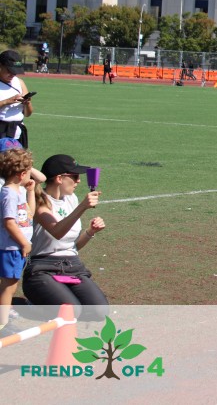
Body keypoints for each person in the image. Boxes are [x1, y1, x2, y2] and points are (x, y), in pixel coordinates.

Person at [22, 154, 108, 321]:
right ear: (59, 178)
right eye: (74, 176)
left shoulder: (71, 199)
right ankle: (30, 304)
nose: (79, 181)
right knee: (71, 311)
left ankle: (56, 298)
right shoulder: (38, 201)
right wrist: (82, 207)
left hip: (72, 266)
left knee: (99, 312)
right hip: (43, 268)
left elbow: (71, 246)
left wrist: (90, 232)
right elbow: (57, 232)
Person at [0, 148, 35, 335]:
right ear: (22, 174)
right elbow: (9, 222)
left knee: (10, 284)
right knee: (9, 286)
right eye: (29, 171)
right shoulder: (9, 194)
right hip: (12, 247)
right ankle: (2, 324)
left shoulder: (18, 191)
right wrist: (24, 243)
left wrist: (30, 192)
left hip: (17, 247)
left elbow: (30, 214)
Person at [0, 50, 33, 148]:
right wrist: (6, 101)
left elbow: (28, 114)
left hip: (17, 133)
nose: (12, 74)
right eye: (9, 71)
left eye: (15, 72)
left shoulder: (19, 82)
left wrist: (27, 104)